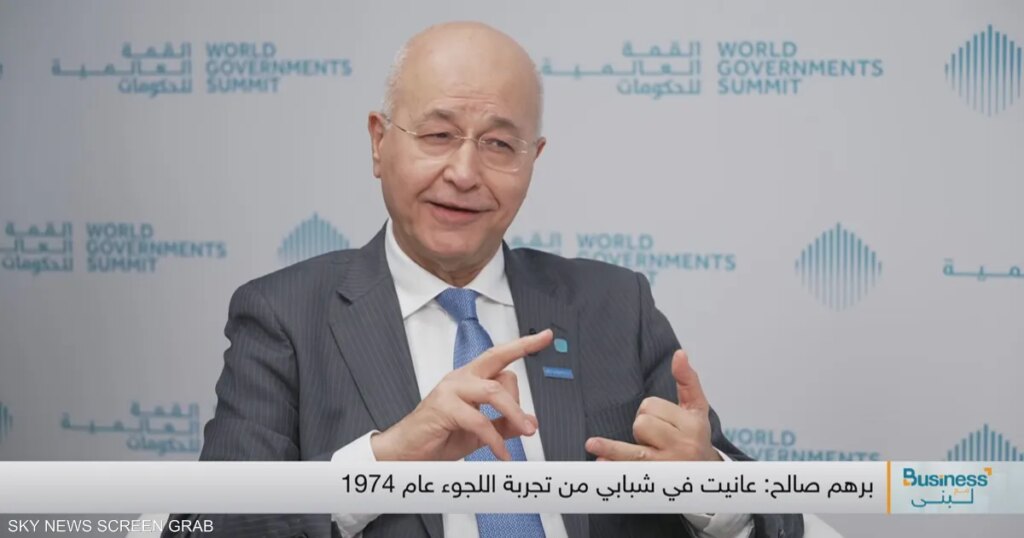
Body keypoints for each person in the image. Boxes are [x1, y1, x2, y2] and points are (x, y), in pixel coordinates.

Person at [166, 21, 803, 538]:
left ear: (534, 160)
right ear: (379, 142)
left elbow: (777, 518)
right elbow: (203, 526)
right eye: (438, 135)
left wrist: (714, 489)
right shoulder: (285, 315)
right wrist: (383, 462)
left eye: (499, 145)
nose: (465, 173)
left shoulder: (615, 305)